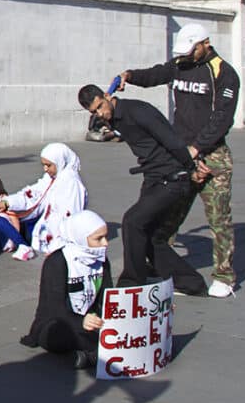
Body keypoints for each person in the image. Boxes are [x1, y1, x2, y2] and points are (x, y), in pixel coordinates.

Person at [117, 23, 240, 297]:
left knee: (218, 218)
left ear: (204, 44)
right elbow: (157, 73)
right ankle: (168, 270)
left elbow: (223, 119)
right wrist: (130, 75)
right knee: (166, 216)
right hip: (181, 153)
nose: (185, 56)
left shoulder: (224, 73)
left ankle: (224, 276)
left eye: (191, 50)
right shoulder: (181, 64)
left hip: (212, 153)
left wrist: (197, 150)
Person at [78, 85, 210, 297]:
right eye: (94, 112)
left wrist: (191, 168)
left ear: (107, 96)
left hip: (173, 178)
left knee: (132, 222)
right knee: (149, 237)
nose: (100, 114)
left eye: (100, 107)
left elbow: (171, 139)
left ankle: (131, 284)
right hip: (153, 178)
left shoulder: (138, 111)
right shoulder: (111, 119)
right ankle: (191, 283)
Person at [18, 210, 111, 370]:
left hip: (91, 321)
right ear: (81, 238)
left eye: (105, 237)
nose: (105, 243)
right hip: (56, 323)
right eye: (98, 239)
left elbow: (108, 297)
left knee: (114, 333)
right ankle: (93, 353)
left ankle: (89, 355)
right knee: (62, 334)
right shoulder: (58, 261)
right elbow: (55, 308)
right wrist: (81, 321)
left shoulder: (101, 260)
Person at [0, 142, 88, 260]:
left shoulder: (71, 184)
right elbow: (33, 194)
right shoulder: (53, 178)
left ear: (60, 162)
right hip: (41, 227)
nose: (45, 169)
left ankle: (22, 245)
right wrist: (8, 202)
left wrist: (58, 248)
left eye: (49, 165)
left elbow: (69, 217)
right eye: (43, 165)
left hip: (54, 236)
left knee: (0, 227)